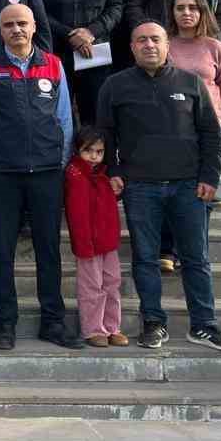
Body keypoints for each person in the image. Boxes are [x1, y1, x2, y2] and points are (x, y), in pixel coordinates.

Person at [96, 21, 221, 352]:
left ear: (167, 45)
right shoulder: (115, 86)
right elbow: (105, 134)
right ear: (131, 47)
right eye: (141, 40)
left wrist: (209, 177)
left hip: (189, 186)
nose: (149, 45)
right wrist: (112, 171)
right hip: (140, 187)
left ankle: (204, 324)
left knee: (196, 258)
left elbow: (212, 134)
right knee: (145, 258)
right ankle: (154, 322)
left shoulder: (190, 83)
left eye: (155, 39)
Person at [0, 3, 80, 351]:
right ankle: (5, 322)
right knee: (1, 252)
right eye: (9, 25)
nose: (17, 30)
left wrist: (59, 165)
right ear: (0, 30)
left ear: (32, 26)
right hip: (0, 175)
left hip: (46, 174)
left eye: (22, 23)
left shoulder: (54, 65)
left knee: (49, 250)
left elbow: (65, 122)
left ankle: (52, 321)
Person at [63, 127, 126, 348]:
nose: (93, 156)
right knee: (92, 286)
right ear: (77, 150)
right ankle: (93, 329)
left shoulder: (103, 174)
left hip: (107, 242)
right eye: (88, 151)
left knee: (112, 283)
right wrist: (83, 243)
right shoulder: (75, 175)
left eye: (98, 152)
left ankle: (112, 327)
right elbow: (77, 213)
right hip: (88, 243)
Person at [168, 0, 221, 127]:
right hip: (173, 122)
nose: (186, 12)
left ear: (201, 12)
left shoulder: (215, 47)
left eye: (192, 8)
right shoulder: (164, 46)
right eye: (180, 8)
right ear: (173, 13)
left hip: (209, 122)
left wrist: (211, 104)